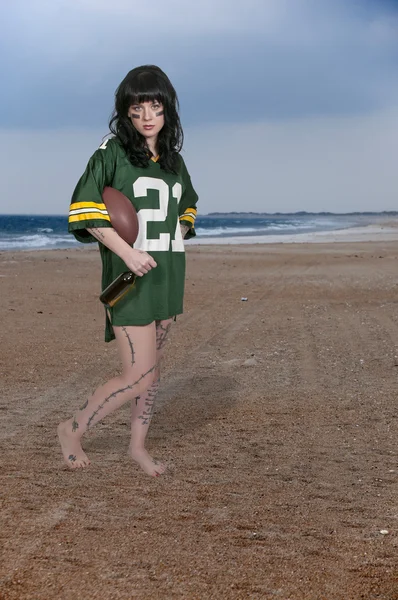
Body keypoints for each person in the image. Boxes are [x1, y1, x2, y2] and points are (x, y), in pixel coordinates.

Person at [58, 65, 198, 477]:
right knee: (138, 375)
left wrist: (180, 228)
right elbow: (85, 209)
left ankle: (137, 447)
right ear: (126, 112)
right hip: (130, 281)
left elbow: (187, 204)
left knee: (152, 374)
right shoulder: (112, 151)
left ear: (167, 108)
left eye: (155, 106)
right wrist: (128, 252)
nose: (147, 116)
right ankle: (70, 429)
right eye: (138, 109)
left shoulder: (174, 160)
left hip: (168, 277)